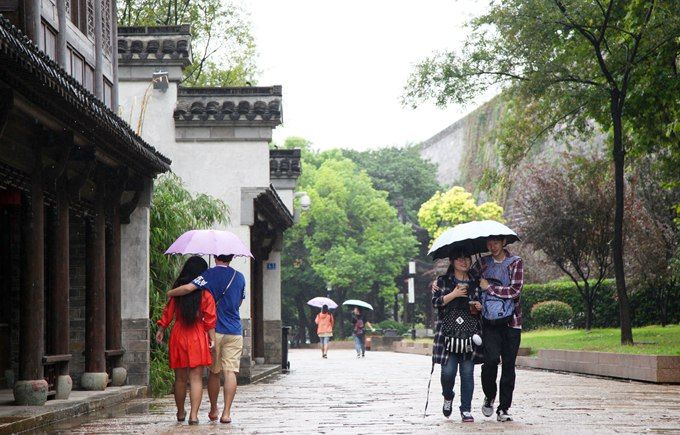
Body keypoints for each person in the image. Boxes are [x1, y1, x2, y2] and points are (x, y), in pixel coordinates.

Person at [168, 254, 246, 425]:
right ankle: (226, 413)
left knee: (214, 372)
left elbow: (188, 289)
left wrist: (171, 293)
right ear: (231, 257)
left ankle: (213, 409)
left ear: (216, 256)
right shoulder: (239, 276)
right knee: (230, 372)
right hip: (235, 330)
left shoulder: (207, 275)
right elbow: (239, 302)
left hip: (215, 330)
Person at [156, 256, 216, 425]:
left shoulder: (177, 293)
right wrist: (212, 340)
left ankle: (180, 412)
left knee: (180, 379)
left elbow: (167, 314)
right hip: (197, 335)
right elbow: (210, 319)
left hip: (179, 334)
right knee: (196, 378)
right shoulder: (205, 294)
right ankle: (194, 415)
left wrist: (161, 329)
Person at [472, 236, 523, 422]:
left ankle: (504, 408)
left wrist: (490, 288)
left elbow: (515, 291)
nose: (491, 246)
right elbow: (469, 282)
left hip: (512, 322)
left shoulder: (515, 263)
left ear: (503, 242)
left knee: (509, 365)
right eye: (489, 243)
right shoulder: (481, 263)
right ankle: (490, 395)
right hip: (489, 321)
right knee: (490, 361)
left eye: (495, 242)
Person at [431, 249, 482, 423]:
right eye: (459, 258)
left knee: (467, 373)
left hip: (469, 335)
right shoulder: (442, 281)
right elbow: (436, 302)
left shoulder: (475, 282)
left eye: (467, 258)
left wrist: (478, 306)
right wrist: (454, 294)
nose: (464, 261)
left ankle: (466, 409)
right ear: (452, 261)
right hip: (447, 336)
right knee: (448, 372)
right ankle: (448, 396)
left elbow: (480, 304)